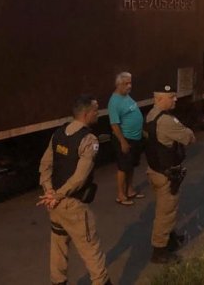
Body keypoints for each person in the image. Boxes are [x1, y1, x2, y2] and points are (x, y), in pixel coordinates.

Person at [37, 95, 112, 285]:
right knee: (91, 250)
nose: (98, 113)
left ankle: (58, 281)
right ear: (86, 114)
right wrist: (59, 194)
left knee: (58, 246)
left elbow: (45, 165)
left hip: (55, 206)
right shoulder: (89, 139)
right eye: (96, 110)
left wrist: (49, 192)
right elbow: (80, 177)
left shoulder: (58, 134)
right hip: (73, 205)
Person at [145, 85, 195, 263]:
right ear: (159, 99)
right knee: (165, 213)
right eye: (171, 97)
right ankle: (159, 251)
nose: (175, 99)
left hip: (155, 170)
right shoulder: (166, 120)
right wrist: (184, 129)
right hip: (166, 174)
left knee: (167, 209)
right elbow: (189, 137)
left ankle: (170, 239)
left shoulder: (151, 115)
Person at [108, 72, 144, 205]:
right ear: (118, 84)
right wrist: (122, 141)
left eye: (130, 82)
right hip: (125, 139)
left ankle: (130, 190)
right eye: (126, 83)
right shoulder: (114, 101)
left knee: (132, 165)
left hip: (135, 138)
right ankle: (120, 195)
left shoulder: (126, 96)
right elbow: (114, 124)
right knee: (123, 167)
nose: (129, 86)